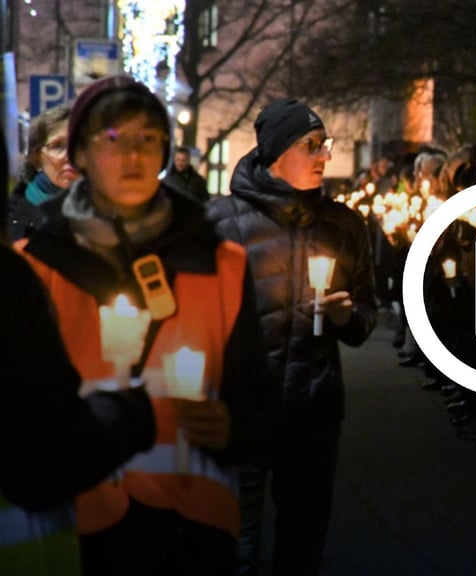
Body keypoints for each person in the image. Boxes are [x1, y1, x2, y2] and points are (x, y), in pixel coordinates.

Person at [15, 75, 272, 575]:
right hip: (75, 526)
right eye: (112, 140)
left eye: (147, 139)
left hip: (190, 532)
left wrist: (233, 428)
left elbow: (258, 402)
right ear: (80, 156)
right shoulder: (33, 267)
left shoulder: (221, 264)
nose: (132, 156)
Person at [207, 98, 377, 576]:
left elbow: (367, 316)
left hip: (313, 408)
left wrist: (346, 317)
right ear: (277, 153)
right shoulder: (221, 223)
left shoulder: (344, 225)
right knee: (236, 538)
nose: (325, 155)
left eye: (326, 144)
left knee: (303, 539)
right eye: (312, 145)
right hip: (240, 409)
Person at [0, 110, 156, 576]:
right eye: (56, 146)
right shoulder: (20, 256)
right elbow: (39, 449)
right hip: (48, 504)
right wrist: (127, 413)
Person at [7, 104, 78, 240]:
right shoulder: (10, 216)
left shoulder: (108, 211)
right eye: (57, 146)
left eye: (78, 145)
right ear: (37, 157)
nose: (69, 156)